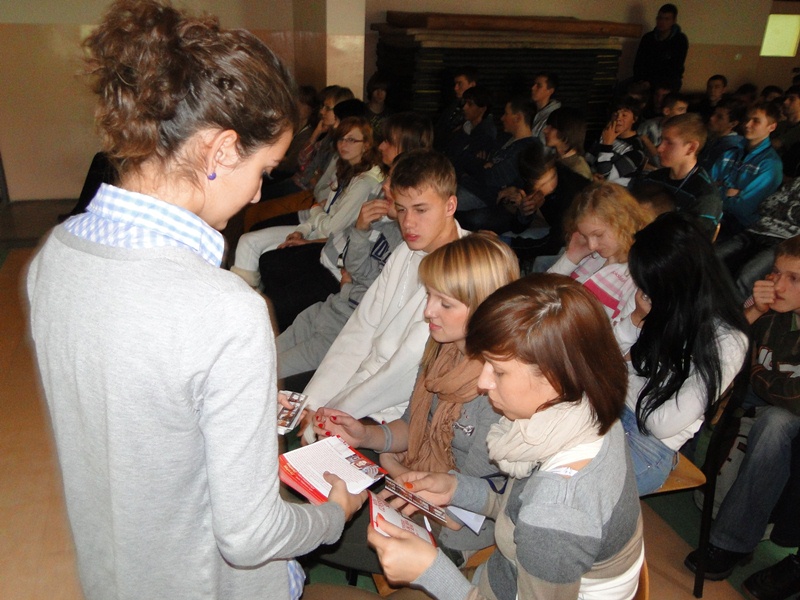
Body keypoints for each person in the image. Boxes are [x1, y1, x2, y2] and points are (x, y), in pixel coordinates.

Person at [25, 2, 366, 599]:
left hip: (111, 573)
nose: (258, 192)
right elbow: (250, 536)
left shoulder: (55, 255)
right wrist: (332, 516)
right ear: (222, 150)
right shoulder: (223, 311)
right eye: (264, 169)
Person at [356, 274, 644, 599]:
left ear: (555, 378)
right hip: (505, 574)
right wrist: (457, 488)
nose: (483, 382)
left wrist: (431, 572)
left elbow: (539, 517)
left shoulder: (556, 512)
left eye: (499, 370)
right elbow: (518, 506)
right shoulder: (585, 412)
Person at [302, 232, 520, 574]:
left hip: (449, 531)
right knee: (313, 485)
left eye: (445, 303)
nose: (428, 311)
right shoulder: (441, 349)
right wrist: (364, 435)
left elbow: (462, 510)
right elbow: (409, 426)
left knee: (311, 524)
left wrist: (394, 468)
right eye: (429, 295)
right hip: (413, 484)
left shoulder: (500, 393)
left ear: (485, 309)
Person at [299, 149, 465, 436]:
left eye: (420, 210)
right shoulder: (405, 251)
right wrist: (313, 402)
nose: (408, 223)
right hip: (359, 388)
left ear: (450, 206)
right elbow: (361, 329)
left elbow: (402, 372)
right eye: (401, 209)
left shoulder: (465, 270)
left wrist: (330, 415)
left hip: (398, 416)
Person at [276, 112, 433, 380]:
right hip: (329, 307)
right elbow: (353, 262)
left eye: (392, 182)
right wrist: (359, 230)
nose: (384, 186)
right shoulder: (386, 216)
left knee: (269, 370)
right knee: (262, 354)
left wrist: (348, 283)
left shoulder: (410, 241)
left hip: (342, 325)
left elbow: (375, 295)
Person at [685, 236, 800, 592]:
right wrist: (753, 313)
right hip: (762, 397)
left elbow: (793, 399)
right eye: (776, 272)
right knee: (707, 378)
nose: (778, 285)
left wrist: (755, 372)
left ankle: (729, 544)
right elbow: (713, 348)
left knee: (775, 422)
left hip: (786, 417)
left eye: (794, 278)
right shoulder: (769, 308)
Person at [613, 213, 749, 495]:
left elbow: (662, 424)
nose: (643, 291)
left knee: (573, 480)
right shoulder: (650, 296)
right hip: (610, 406)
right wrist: (635, 320)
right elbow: (603, 355)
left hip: (649, 444)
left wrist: (623, 370)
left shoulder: (728, 340)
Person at [231, 116, 383, 319]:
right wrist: (300, 231)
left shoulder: (364, 183)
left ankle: (246, 311)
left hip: (327, 242)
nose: (343, 144)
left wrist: (314, 212)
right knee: (249, 241)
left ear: (366, 145)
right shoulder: (345, 169)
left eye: (351, 140)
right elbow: (322, 209)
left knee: (261, 251)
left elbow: (330, 227)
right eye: (340, 139)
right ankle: (243, 307)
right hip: (314, 231)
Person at [549, 182, 652, 320]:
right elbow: (541, 293)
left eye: (598, 235)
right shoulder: (589, 254)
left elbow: (618, 331)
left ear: (623, 223)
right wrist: (570, 258)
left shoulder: (636, 277)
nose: (592, 246)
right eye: (585, 236)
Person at [638, 112, 722, 238]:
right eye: (661, 140)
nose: (659, 148)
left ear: (691, 148)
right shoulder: (653, 178)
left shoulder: (705, 195)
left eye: (669, 142)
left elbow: (695, 244)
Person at [710, 101, 783, 240]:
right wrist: (730, 193)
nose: (747, 124)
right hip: (714, 214)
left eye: (756, 121)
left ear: (772, 127)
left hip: (740, 226)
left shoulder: (770, 165)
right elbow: (707, 187)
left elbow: (744, 208)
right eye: (747, 119)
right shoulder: (729, 154)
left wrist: (720, 190)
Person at [455, 95, 537, 216]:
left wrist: (474, 170)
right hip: (474, 187)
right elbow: (482, 163)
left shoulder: (527, 148)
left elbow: (493, 178)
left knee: (443, 203)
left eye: (506, 114)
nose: (502, 118)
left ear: (517, 118)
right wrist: (483, 165)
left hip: (484, 196)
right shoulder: (504, 139)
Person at [587, 97, 648, 187]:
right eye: (615, 114)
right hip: (590, 183)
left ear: (634, 119)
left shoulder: (636, 150)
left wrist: (606, 145)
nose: (618, 118)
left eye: (624, 115)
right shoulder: (606, 134)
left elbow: (605, 176)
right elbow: (587, 160)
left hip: (612, 191)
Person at [633, 3, 689, 91]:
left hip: (669, 80)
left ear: (674, 21)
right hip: (645, 78)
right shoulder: (648, 38)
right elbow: (639, 63)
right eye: (660, 18)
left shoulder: (679, 40)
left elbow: (674, 67)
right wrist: (640, 80)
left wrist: (651, 82)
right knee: (622, 88)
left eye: (667, 19)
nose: (662, 22)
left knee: (661, 90)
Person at [637, 92, 689, 169]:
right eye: (680, 110)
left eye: (685, 110)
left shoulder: (683, 132)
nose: (684, 114)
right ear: (666, 111)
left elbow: (662, 163)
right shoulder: (649, 126)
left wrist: (647, 142)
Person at [435, 66, 478, 151]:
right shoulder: (453, 106)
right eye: (455, 84)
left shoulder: (478, 112)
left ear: (472, 84)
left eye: (460, 84)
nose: (456, 88)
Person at [698, 97, 745, 173]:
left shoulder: (732, 148)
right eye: (714, 113)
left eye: (719, 117)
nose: (712, 118)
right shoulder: (711, 138)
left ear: (733, 124)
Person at [543, 105, 592, 180]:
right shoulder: (552, 159)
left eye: (552, 127)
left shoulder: (578, 171)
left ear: (565, 131)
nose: (545, 130)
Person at [530, 72, 562, 143]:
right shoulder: (531, 112)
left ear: (550, 91)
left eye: (539, 86)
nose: (533, 88)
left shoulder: (554, 118)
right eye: (534, 84)